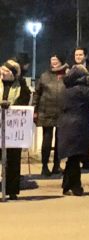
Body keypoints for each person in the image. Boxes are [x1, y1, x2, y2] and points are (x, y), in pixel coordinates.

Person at [58, 64, 89, 196]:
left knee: (73, 158)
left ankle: (67, 185)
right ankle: (75, 187)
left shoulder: (67, 89)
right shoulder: (79, 91)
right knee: (75, 158)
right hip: (77, 127)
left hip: (68, 126)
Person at [32, 53, 69, 176]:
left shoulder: (67, 75)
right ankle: (44, 166)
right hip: (46, 111)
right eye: (52, 59)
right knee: (46, 140)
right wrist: (34, 109)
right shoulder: (44, 76)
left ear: (61, 61)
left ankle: (56, 165)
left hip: (63, 112)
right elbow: (37, 93)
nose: (53, 62)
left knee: (60, 140)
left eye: (56, 60)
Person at [0, 54, 31, 200]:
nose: (2, 73)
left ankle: (12, 190)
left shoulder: (22, 88)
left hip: (13, 130)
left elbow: (24, 103)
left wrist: (11, 107)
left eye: (6, 71)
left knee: (13, 160)